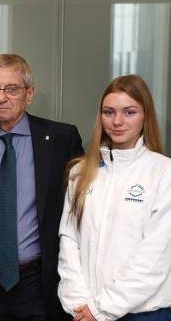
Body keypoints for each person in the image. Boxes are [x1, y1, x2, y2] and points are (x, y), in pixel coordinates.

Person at [0, 54, 83, 320]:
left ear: (29, 94)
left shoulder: (60, 140)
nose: (1, 97)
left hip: (39, 283)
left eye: (12, 89)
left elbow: (82, 213)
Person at [58, 75, 171, 321]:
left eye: (129, 112)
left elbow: (154, 257)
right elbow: (69, 241)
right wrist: (78, 302)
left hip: (143, 315)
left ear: (145, 116)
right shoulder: (80, 172)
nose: (117, 121)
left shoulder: (164, 173)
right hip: (84, 312)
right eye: (109, 112)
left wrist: (101, 309)